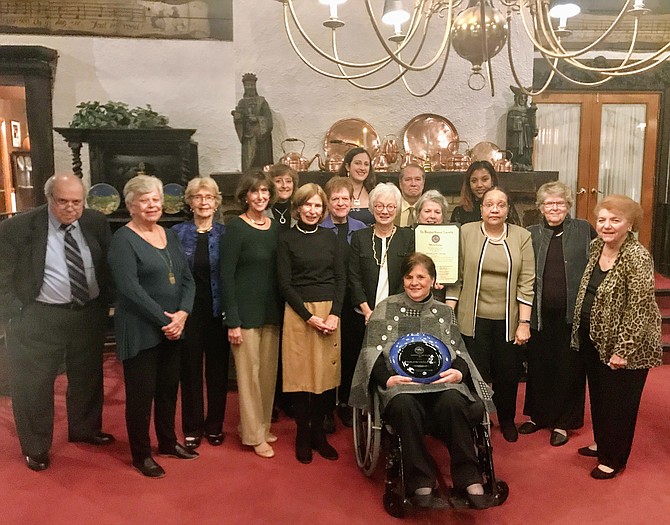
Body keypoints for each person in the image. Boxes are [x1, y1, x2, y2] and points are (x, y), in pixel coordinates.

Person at [350, 253, 497, 510]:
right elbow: (370, 352)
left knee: (454, 401)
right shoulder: (386, 308)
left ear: (433, 281)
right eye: (409, 277)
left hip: (443, 384)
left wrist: (460, 373)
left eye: (421, 277)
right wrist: (387, 378)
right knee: (404, 405)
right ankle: (420, 481)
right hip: (402, 386)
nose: (414, 282)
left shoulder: (443, 312)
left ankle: (469, 477)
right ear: (403, 280)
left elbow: (459, 351)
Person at [0, 174, 114, 472]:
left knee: (88, 376)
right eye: (62, 201)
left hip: (86, 313)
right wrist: (16, 313)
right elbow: (2, 277)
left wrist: (105, 305)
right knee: (34, 384)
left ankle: (85, 429)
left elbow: (106, 265)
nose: (70, 208)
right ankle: (36, 447)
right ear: (49, 198)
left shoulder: (95, 222)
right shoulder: (18, 228)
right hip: (39, 315)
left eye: (77, 202)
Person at [108, 175, 197, 478]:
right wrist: (167, 320)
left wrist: (183, 313)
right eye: (144, 200)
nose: (152, 205)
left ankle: (169, 443)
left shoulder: (168, 234)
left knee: (169, 389)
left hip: (173, 327)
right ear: (130, 205)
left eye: (156, 199)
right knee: (140, 395)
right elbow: (130, 290)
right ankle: (141, 454)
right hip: (141, 329)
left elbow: (186, 278)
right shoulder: (123, 239)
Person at [571, 195, 662, 479]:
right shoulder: (596, 246)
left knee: (619, 404)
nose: (606, 225)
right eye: (602, 219)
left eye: (615, 220)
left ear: (629, 224)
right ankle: (602, 443)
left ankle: (614, 458)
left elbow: (639, 307)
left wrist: (623, 350)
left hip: (628, 346)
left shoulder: (637, 256)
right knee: (599, 396)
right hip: (596, 339)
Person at [446, 187, 534, 443]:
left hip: (509, 320)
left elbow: (527, 282)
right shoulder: (465, 232)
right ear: (481, 208)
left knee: (508, 373)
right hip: (472, 319)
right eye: (489, 204)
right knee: (476, 373)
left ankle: (506, 419)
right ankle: (477, 419)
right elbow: (457, 277)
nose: (495, 209)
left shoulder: (522, 236)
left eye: (501, 204)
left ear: (508, 210)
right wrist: (450, 314)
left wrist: (524, 323)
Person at [519, 182, 595, 446]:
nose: (554, 208)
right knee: (539, 365)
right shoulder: (530, 234)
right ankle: (539, 416)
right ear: (540, 208)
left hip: (572, 315)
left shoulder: (584, 230)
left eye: (560, 203)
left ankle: (563, 422)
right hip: (539, 312)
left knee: (569, 368)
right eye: (549, 203)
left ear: (568, 206)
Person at [277, 183, 346, 464]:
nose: (312, 210)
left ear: (323, 210)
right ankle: (302, 435)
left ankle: (320, 434)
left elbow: (341, 279)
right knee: (303, 379)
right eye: (307, 205)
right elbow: (284, 283)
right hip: (299, 314)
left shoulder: (333, 238)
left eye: (317, 206)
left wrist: (334, 315)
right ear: (298, 207)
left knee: (324, 379)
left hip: (329, 313)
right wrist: (309, 317)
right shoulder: (286, 239)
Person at [221, 171, 282, 459]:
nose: (260, 197)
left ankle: (261, 425)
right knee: (248, 378)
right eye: (255, 192)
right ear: (245, 195)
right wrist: (231, 318)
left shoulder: (274, 227)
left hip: (271, 311)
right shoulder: (236, 228)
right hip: (244, 314)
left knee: (267, 376)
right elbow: (226, 276)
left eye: (265, 191)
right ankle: (253, 435)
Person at [171, 176, 229, 449]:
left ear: (217, 202)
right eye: (198, 197)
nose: (204, 202)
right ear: (190, 202)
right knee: (190, 370)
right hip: (188, 312)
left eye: (209, 197)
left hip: (218, 312)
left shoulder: (226, 234)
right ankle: (192, 427)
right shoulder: (176, 234)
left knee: (217, 372)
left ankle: (215, 425)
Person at [319, 177, 367, 429]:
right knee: (328, 354)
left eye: (345, 198)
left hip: (354, 302)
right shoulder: (318, 227)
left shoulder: (360, 228)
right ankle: (326, 407)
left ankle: (346, 404)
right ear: (327, 202)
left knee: (350, 353)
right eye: (335, 198)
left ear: (352, 201)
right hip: (327, 299)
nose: (340, 203)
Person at [349, 183, 415, 326]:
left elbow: (408, 274)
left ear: (396, 209)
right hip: (363, 314)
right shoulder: (359, 237)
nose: (385, 211)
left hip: (398, 312)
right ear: (372, 208)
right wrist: (367, 311)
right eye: (379, 206)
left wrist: (392, 310)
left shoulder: (408, 236)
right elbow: (354, 277)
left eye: (390, 206)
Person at [450, 161, 520, 225]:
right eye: (474, 181)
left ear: (492, 181)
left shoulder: (504, 205)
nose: (479, 185)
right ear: (469, 184)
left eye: (484, 179)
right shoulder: (459, 212)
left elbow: (517, 232)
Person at [231, 73, 274, 171]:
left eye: (251, 85)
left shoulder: (262, 101)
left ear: (255, 86)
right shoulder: (242, 102)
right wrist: (237, 118)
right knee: (248, 166)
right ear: (244, 86)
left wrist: (257, 119)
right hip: (248, 138)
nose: (249, 87)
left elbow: (268, 120)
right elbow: (239, 119)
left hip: (262, 139)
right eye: (247, 85)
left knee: (263, 166)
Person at [337, 147, 377, 225]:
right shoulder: (336, 191)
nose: (362, 168)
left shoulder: (374, 192)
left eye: (366, 164)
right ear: (347, 167)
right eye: (358, 163)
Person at [506, 85, 538, 171]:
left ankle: (527, 164)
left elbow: (532, 124)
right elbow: (509, 126)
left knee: (527, 149)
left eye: (525, 99)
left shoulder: (529, 111)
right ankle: (515, 163)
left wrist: (533, 125)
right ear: (517, 99)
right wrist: (519, 122)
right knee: (515, 149)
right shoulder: (513, 111)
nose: (523, 101)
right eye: (521, 98)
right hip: (516, 136)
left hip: (526, 136)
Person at [265, 163, 298, 233]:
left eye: (288, 181)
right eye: (278, 181)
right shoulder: (263, 209)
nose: (284, 185)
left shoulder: (299, 208)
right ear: (270, 185)